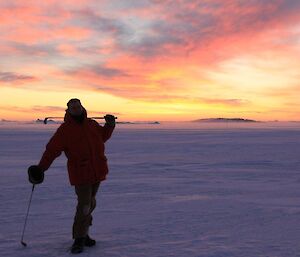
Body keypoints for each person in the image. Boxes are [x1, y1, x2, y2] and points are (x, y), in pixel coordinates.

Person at [28, 98, 116, 254]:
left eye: (78, 106)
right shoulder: (65, 130)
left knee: (91, 203)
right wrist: (41, 168)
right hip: (80, 173)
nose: (76, 109)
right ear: (68, 110)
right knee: (85, 205)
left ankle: (85, 234)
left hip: (97, 170)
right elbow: (52, 150)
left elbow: (102, 137)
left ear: (82, 107)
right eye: (72, 107)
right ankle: (79, 239)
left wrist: (109, 125)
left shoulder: (91, 124)